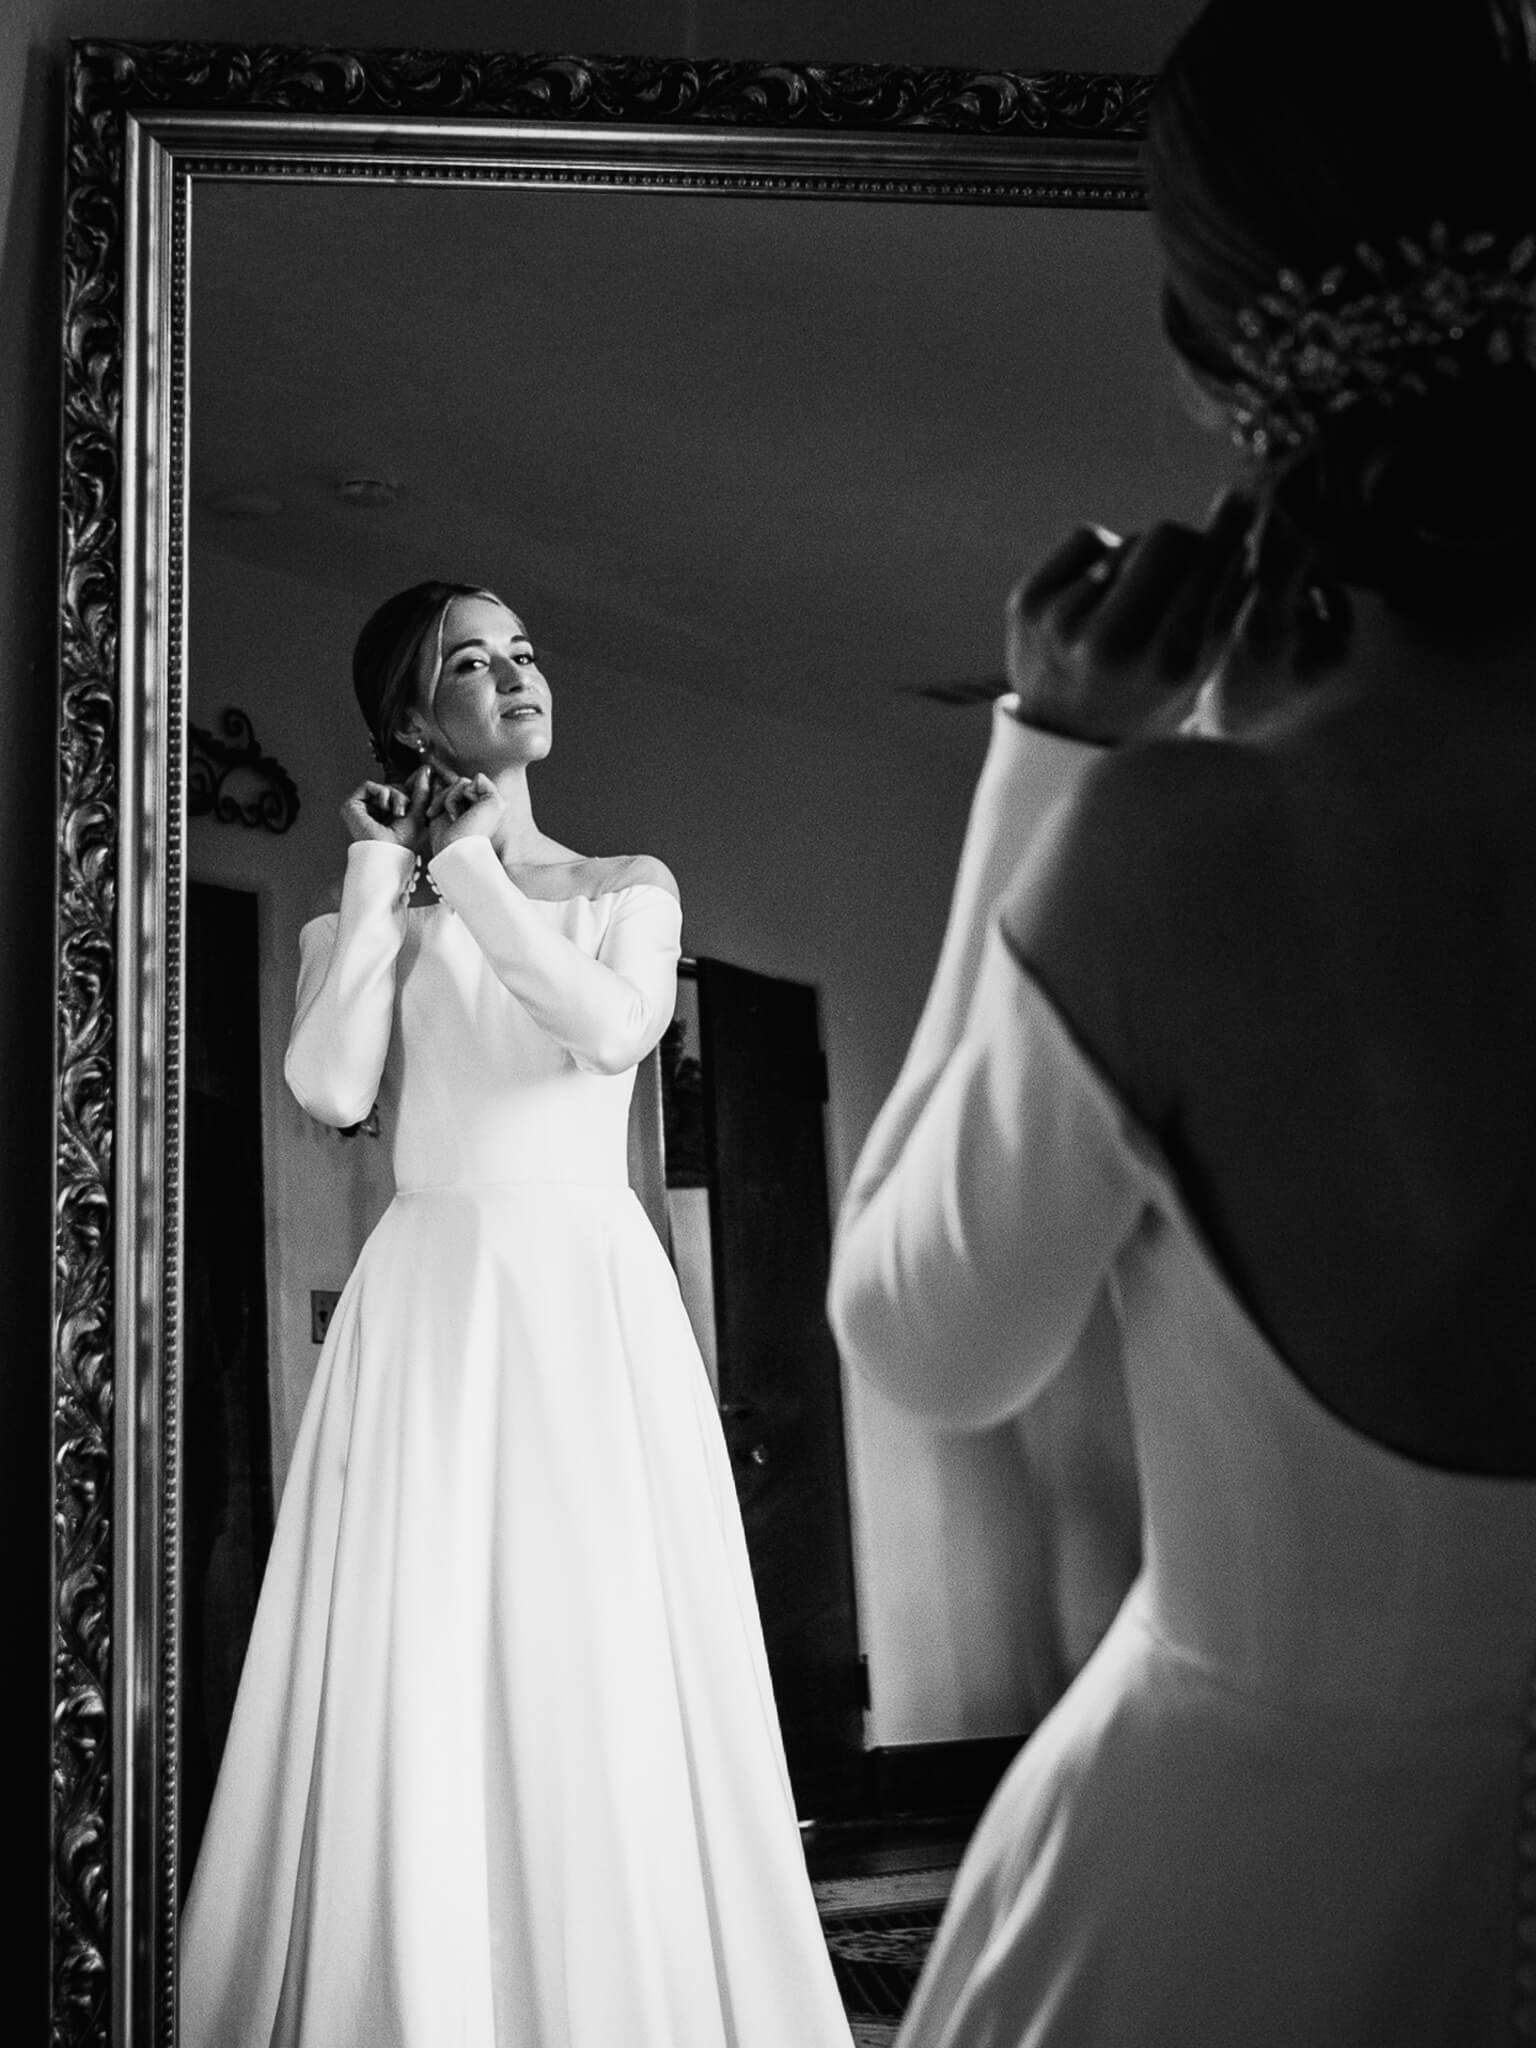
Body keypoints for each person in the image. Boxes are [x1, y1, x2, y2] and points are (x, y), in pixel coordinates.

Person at [826, 3, 1536, 2042]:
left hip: (1224, 1921)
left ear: (1216, 371)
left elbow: (927, 1338)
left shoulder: (1180, 850)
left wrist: (1048, 761)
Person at [180, 581, 853, 2048]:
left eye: (522, 654)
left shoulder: (629, 884)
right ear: (414, 718)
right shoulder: (356, 921)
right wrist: (378, 889)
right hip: (432, 1302)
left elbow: (613, 1031)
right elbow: (329, 1089)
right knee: (422, 1641)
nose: (513, 679)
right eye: (469, 665)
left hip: (584, 1299)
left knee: (593, 1632)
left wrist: (475, 875)